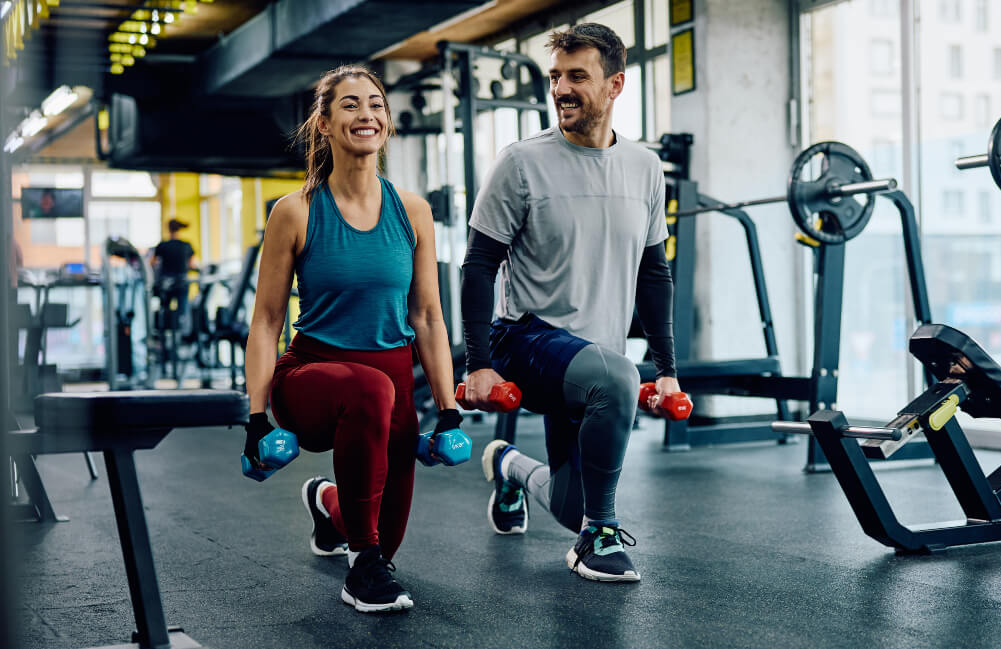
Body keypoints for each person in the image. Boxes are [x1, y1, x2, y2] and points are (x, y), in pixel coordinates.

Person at [460, 23, 680, 583]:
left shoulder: (645, 168)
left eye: (577, 76)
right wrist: (479, 364)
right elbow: (479, 265)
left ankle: (508, 468)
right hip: (527, 339)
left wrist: (670, 372)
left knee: (566, 504)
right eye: (555, 76)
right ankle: (599, 536)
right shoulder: (521, 162)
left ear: (615, 86)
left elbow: (654, 275)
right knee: (616, 379)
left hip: (593, 358)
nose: (561, 88)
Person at [243, 64, 460, 613]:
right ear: (324, 122)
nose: (367, 114)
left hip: (390, 385)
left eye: (376, 104)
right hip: (313, 377)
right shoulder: (294, 212)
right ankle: (359, 570)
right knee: (372, 550)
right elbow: (268, 320)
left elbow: (429, 317)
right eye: (350, 104)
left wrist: (449, 409)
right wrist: (254, 418)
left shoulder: (412, 211)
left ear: (387, 121)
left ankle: (329, 503)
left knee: (386, 535)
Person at [148, 218, 196, 332]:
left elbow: (151, 262)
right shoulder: (186, 245)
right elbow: (192, 264)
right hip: (182, 282)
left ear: (168, 229)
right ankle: (181, 335)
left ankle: (164, 335)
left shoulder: (163, 245)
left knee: (165, 310)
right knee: (182, 311)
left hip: (166, 283)